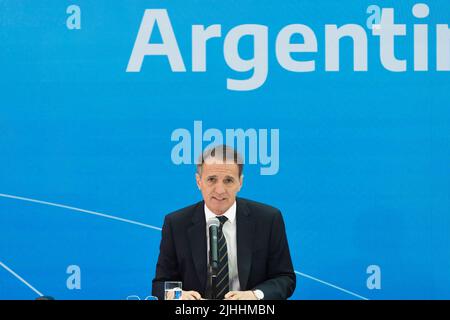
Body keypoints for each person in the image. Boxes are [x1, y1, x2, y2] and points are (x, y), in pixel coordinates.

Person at [152, 145, 295, 300]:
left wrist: (255, 296)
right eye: (212, 179)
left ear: (240, 182)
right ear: (198, 181)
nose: (220, 190)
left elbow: (284, 278)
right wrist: (178, 296)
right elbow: (160, 284)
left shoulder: (268, 219)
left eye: (228, 180)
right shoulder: (176, 223)